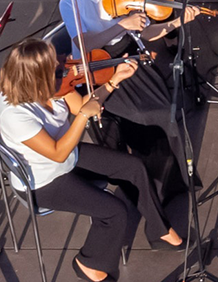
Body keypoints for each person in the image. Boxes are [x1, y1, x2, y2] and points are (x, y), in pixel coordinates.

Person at [0, 39, 184, 282]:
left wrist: (114, 80)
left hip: (67, 158)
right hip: (44, 182)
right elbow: (57, 152)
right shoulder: (15, 115)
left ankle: (158, 230)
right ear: (36, 77)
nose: (65, 68)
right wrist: (83, 117)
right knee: (114, 213)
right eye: (56, 69)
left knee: (133, 167)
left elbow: (83, 107)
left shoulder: (56, 86)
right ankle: (88, 263)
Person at [58, 0, 202, 186]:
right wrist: (122, 25)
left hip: (131, 56)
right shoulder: (71, 1)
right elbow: (83, 42)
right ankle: (145, 178)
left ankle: (173, 180)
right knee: (147, 115)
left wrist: (178, 21)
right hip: (101, 67)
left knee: (167, 111)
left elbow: (146, 33)